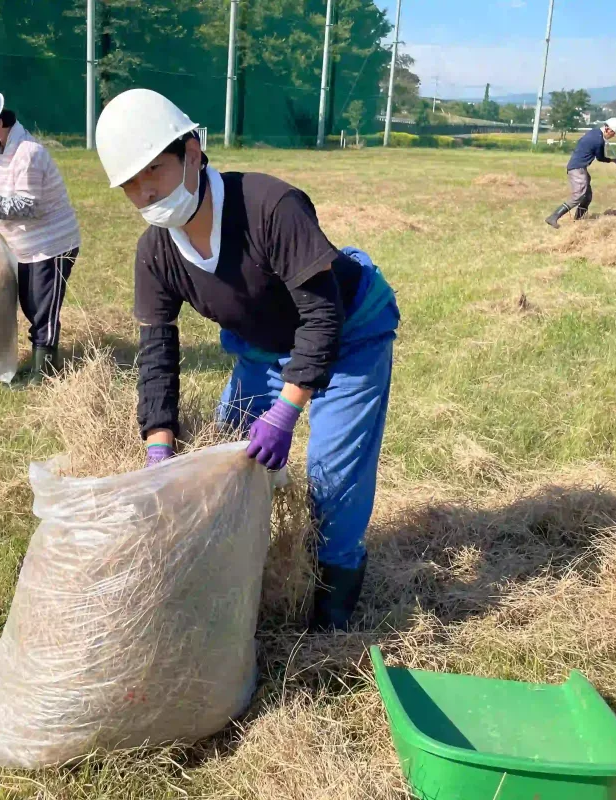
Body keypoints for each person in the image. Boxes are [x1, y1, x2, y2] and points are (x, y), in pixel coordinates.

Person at [95, 89, 400, 631]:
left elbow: (322, 315)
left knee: (332, 474)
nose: (146, 193)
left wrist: (287, 411)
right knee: (229, 451)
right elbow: (157, 352)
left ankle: (332, 601)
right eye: (130, 185)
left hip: (349, 331)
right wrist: (159, 445)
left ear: (192, 152)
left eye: (155, 171)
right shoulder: (156, 253)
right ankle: (239, 572)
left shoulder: (269, 207)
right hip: (263, 343)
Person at [0, 86, 81, 384]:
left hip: (53, 244)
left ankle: (45, 371)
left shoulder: (28, 153)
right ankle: (38, 363)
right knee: (29, 301)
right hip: (26, 246)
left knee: (43, 308)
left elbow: (28, 206)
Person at [545, 117, 616, 228]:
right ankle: (553, 217)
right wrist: (613, 160)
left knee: (587, 196)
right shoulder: (598, 140)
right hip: (578, 169)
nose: (613, 136)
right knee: (578, 196)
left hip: (579, 168)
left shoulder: (594, 132)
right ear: (607, 129)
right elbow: (600, 158)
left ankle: (578, 222)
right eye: (613, 133)